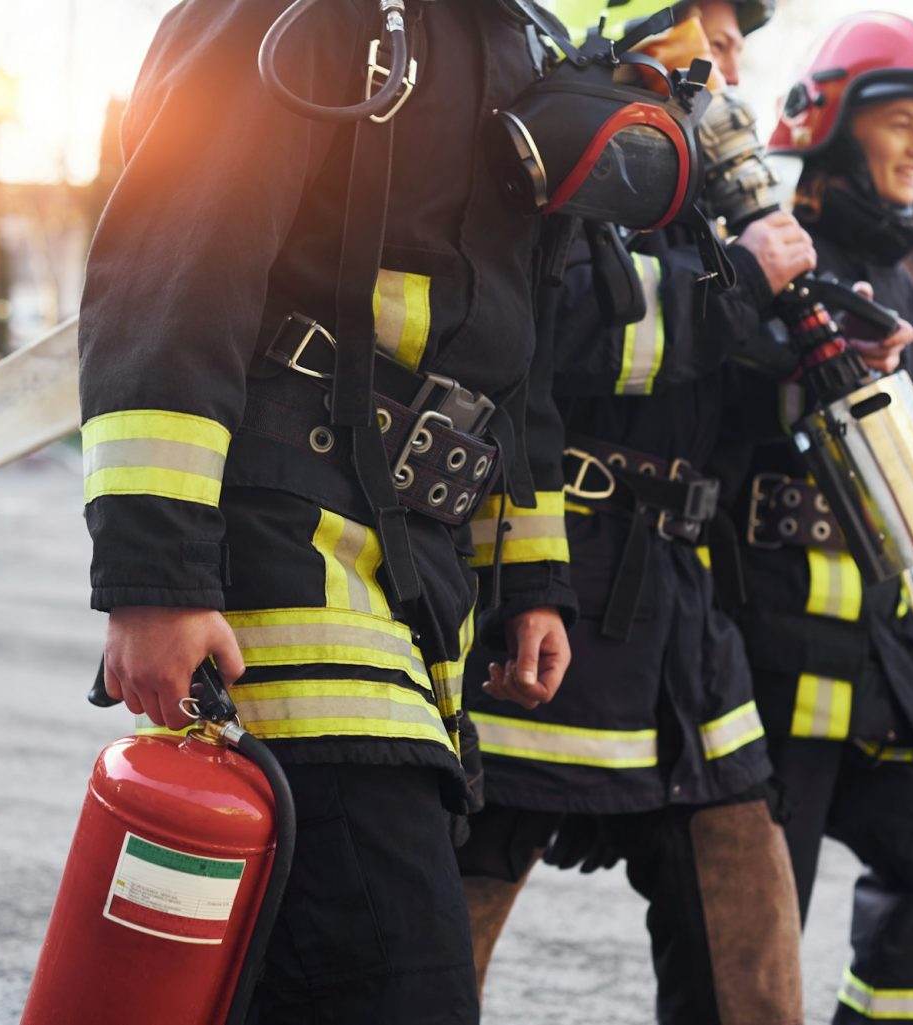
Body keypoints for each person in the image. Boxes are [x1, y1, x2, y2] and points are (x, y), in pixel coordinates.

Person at [77, 1, 581, 1020]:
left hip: (420, 583)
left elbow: (513, 359)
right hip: (283, 557)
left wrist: (529, 576)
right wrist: (156, 581)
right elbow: (172, 277)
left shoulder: (515, 41)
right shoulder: (295, 14)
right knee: (402, 984)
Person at [454, 4, 813, 1022]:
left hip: (679, 615)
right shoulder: (575, 132)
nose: (736, 49)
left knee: (748, 915)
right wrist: (744, 285)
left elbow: (709, 394)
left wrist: (806, 349)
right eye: (718, 19)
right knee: (439, 935)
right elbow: (557, 331)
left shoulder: (704, 187)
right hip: (551, 577)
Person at [717, 13, 913, 1024]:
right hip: (771, 663)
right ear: (829, 122)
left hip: (885, 663)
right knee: (746, 950)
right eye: (905, 119)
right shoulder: (771, 257)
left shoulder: (900, 284)